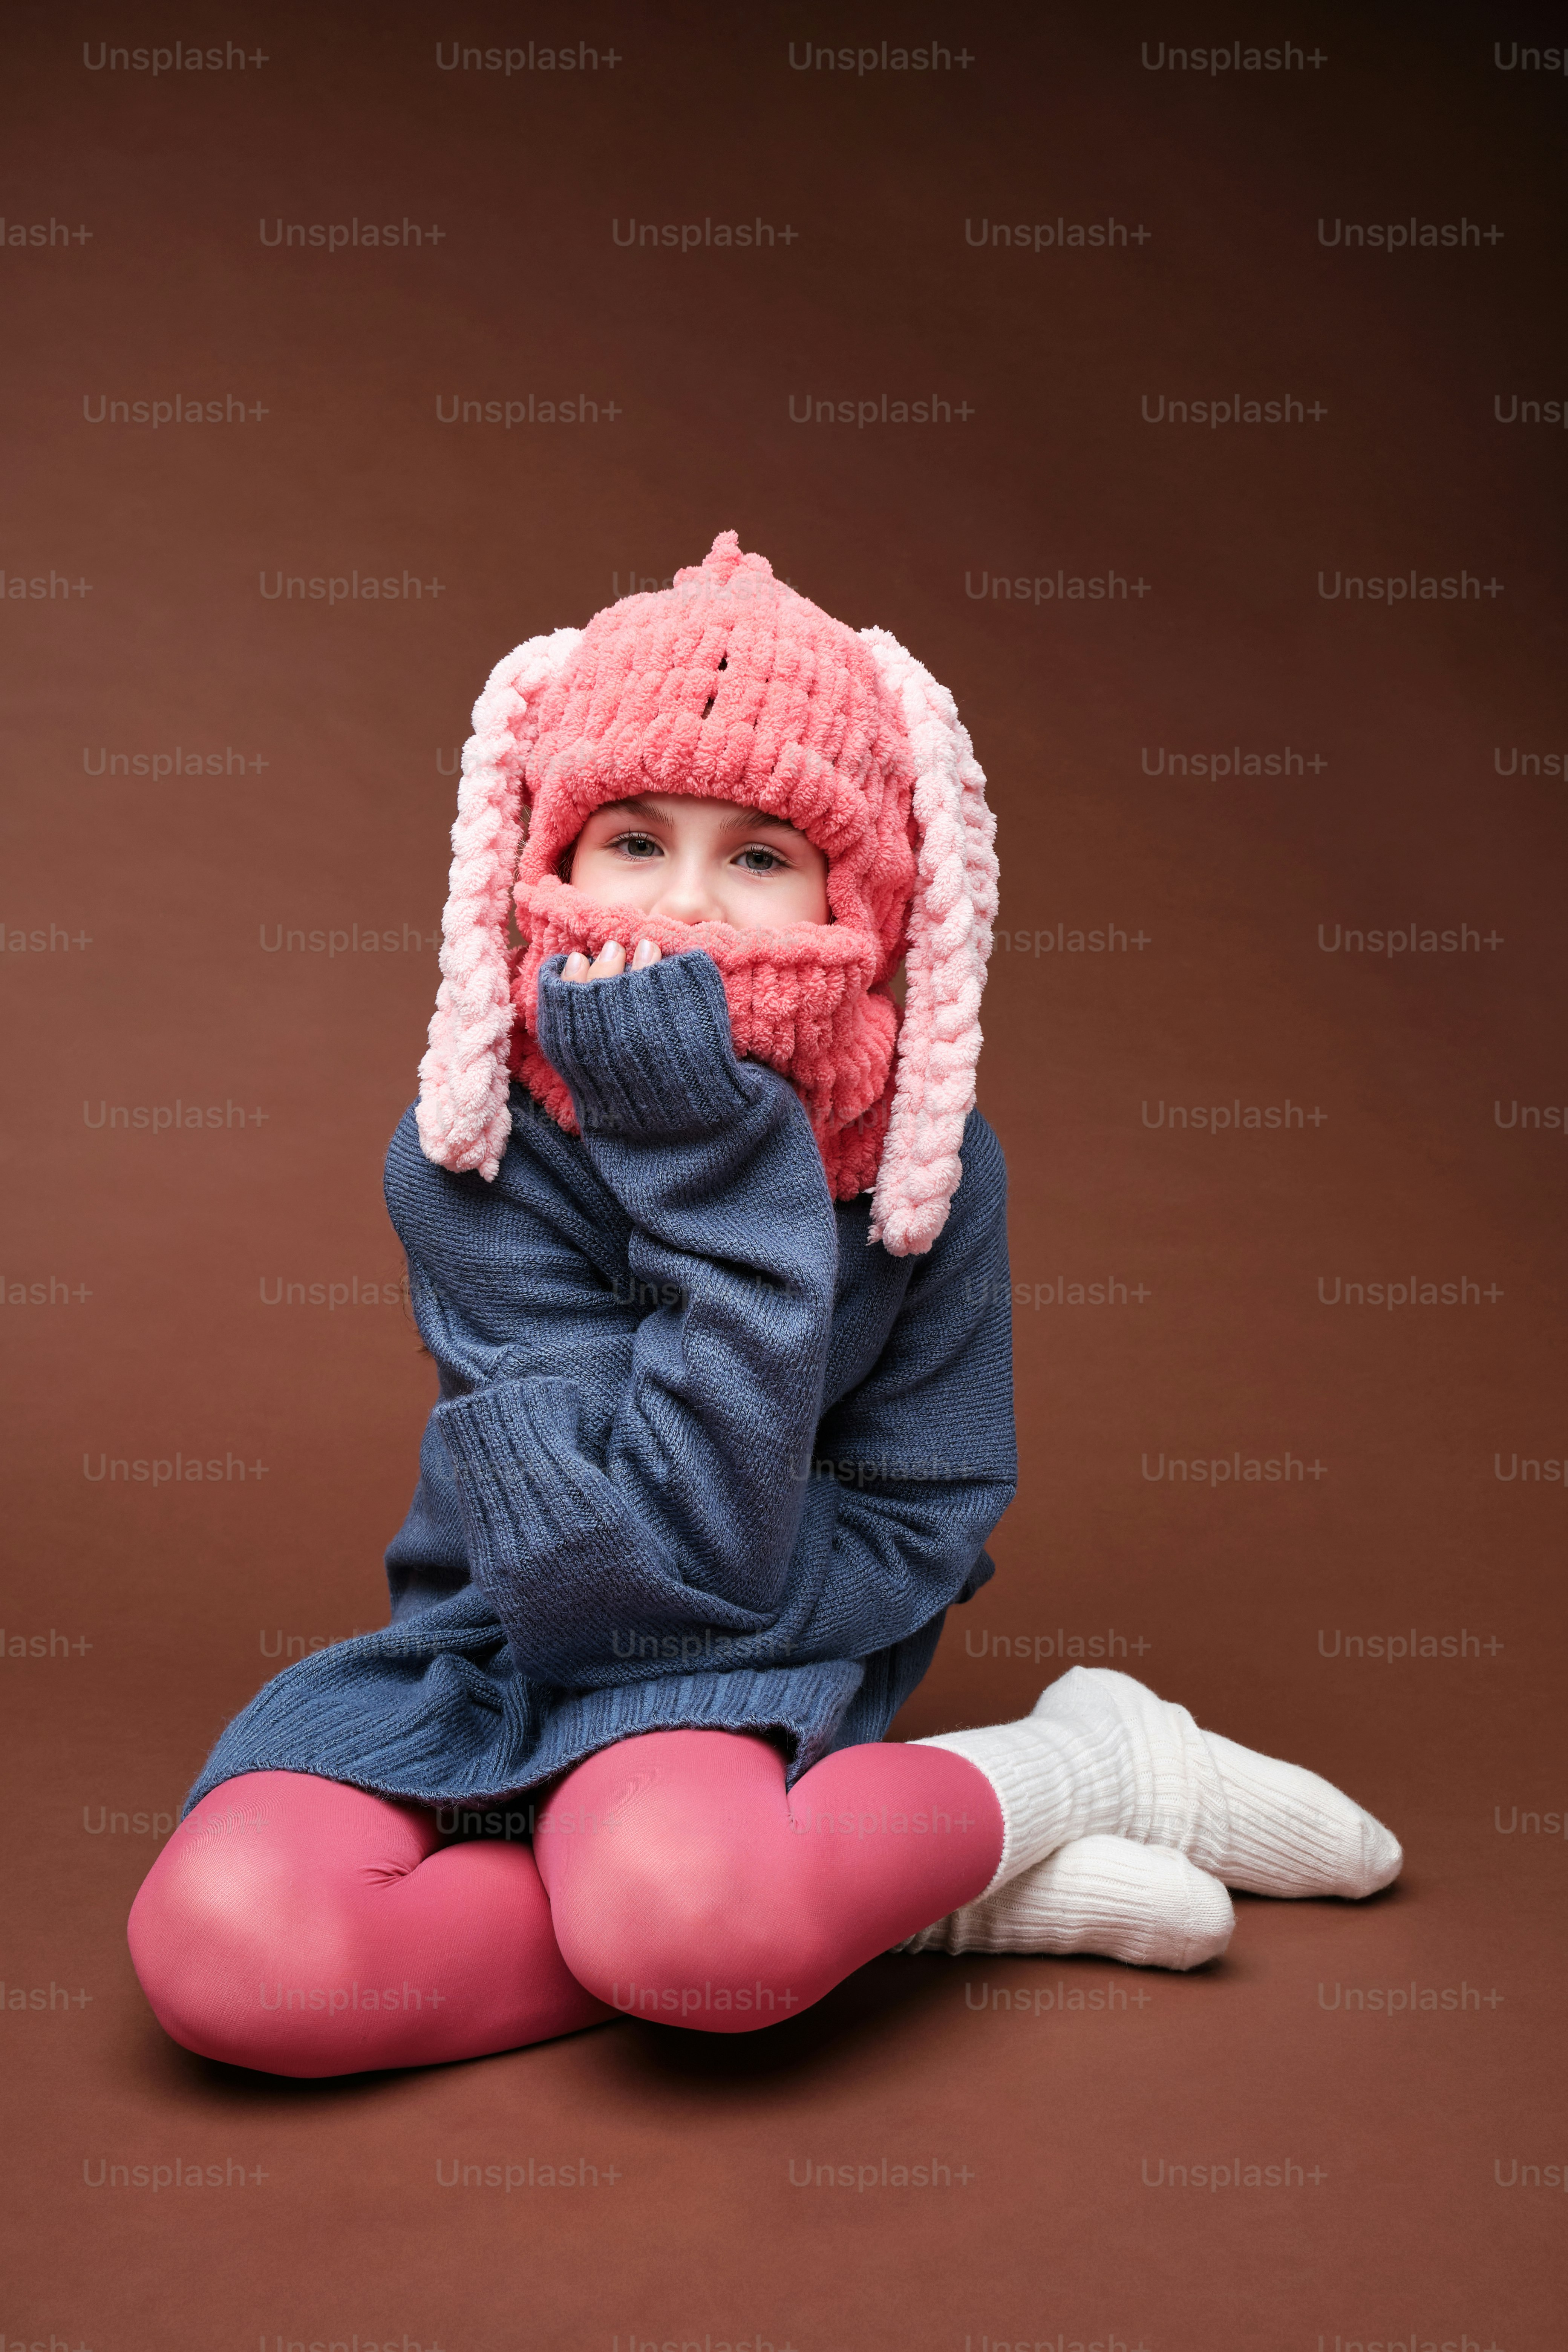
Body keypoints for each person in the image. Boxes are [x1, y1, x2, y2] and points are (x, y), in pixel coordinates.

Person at [127, 533, 1400, 2078]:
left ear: (845, 890)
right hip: (503, 1639)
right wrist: (690, 1150)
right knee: (234, 1957)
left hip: (766, 1652)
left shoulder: (923, 1169)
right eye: (631, 838)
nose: (686, 910)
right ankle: (872, 1886)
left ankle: (1094, 1764)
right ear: (548, 856)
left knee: (687, 1925)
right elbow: (600, 1575)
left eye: (754, 856)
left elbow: (921, 1509)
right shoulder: (470, 1151)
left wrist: (713, 1161)